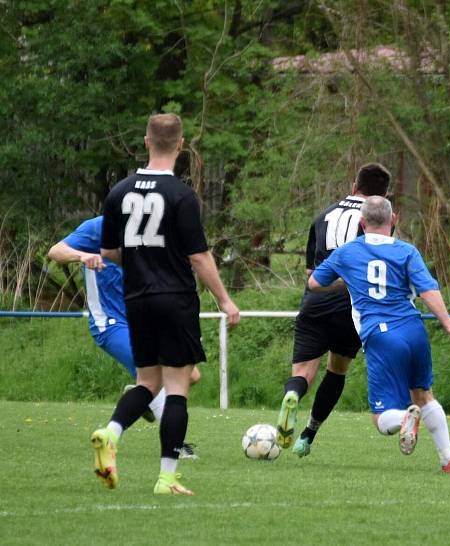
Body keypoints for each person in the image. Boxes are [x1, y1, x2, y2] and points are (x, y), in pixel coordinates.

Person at [90, 113, 240, 496]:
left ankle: (111, 432)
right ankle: (167, 478)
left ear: (145, 142)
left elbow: (108, 251)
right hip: (174, 299)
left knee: (146, 382)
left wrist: (141, 261)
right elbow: (200, 257)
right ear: (181, 145)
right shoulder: (182, 196)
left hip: (136, 300)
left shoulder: (119, 192)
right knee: (175, 389)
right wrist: (225, 300)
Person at [308, 196, 450, 473]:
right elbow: (428, 290)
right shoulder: (407, 251)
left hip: (381, 335)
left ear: (361, 223)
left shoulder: (347, 253)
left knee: (381, 418)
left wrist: (345, 281)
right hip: (413, 330)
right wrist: (449, 324)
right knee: (424, 394)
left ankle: (406, 420)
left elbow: (313, 283)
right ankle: (449, 460)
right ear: (393, 220)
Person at [48, 217, 200, 458]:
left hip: (145, 318)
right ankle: (175, 447)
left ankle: (140, 397)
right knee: (159, 372)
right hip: (109, 323)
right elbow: (56, 251)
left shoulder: (151, 229)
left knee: (190, 375)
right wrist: (82, 256)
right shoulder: (99, 226)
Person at [276, 163, 391, 458]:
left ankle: (293, 394)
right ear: (384, 196)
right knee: (337, 369)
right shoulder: (379, 217)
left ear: (354, 187)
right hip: (353, 303)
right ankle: (307, 436)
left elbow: (311, 271)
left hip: (316, 300)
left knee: (303, 372)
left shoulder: (324, 215)